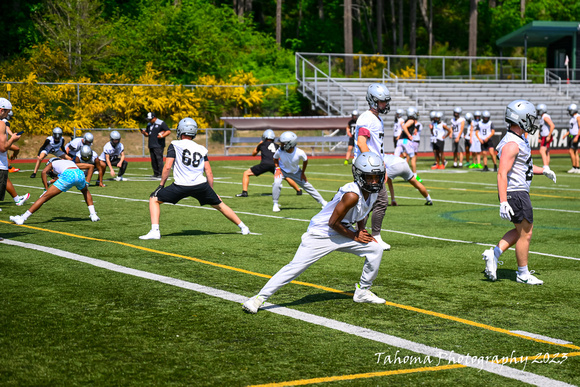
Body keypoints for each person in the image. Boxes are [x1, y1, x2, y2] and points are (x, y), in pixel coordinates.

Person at [242, 152, 387, 314]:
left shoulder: (374, 192)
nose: (374, 181)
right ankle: (258, 299)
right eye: (369, 177)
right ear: (359, 175)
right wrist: (355, 235)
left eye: (377, 177)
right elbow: (332, 223)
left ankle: (362, 291)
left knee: (375, 249)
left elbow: (363, 211)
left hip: (343, 229)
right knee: (296, 267)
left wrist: (361, 229)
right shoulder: (352, 195)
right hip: (322, 232)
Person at [481, 99, 556, 285]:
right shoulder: (512, 144)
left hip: (517, 191)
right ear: (521, 119)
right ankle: (522, 273)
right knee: (526, 234)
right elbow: (502, 173)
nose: (531, 123)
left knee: (519, 230)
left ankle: (494, 253)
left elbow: (524, 167)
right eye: (529, 119)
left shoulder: (517, 140)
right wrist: (503, 201)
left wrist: (544, 170)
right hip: (516, 193)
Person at [140, 118, 250, 240]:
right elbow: (208, 171)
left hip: (181, 185)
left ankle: (155, 231)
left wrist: (161, 185)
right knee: (220, 205)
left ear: (180, 131)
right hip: (200, 185)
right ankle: (243, 227)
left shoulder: (175, 145)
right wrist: (211, 190)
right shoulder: (201, 148)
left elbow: (167, 167)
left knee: (154, 199)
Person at [354, 83, 391, 251]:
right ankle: (374, 236)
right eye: (382, 102)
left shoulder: (376, 118)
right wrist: (372, 165)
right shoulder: (367, 118)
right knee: (380, 201)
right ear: (373, 100)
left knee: (368, 201)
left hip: (371, 165)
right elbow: (362, 142)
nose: (385, 105)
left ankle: (360, 233)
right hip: (368, 167)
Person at [10, 157, 100, 224]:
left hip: (68, 175)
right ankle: (93, 214)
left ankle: (23, 218)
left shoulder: (53, 163)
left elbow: (44, 172)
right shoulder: (67, 162)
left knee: (44, 197)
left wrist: (46, 188)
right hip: (79, 174)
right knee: (85, 192)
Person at [235, 129, 302, 197]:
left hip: (264, 164)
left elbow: (253, 154)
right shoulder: (277, 145)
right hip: (275, 164)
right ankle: (298, 190)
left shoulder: (262, 144)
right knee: (286, 176)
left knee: (246, 173)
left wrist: (259, 144)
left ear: (264, 137)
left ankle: (244, 192)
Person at [272, 131, 327, 212]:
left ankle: (323, 202)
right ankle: (275, 204)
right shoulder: (280, 151)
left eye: (283, 143)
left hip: (295, 172)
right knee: (276, 183)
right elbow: (275, 158)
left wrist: (303, 173)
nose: (281, 145)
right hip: (282, 171)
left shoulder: (300, 152)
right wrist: (277, 169)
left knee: (308, 186)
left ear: (290, 144)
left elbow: (305, 161)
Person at [0, 98, 27, 211]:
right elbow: (2, 148)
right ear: (2, 110)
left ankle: (17, 199)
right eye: (7, 112)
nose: (7, 115)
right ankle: (17, 199)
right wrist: (12, 139)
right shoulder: (1, 124)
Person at [141, 112, 171, 179]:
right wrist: (144, 133)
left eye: (150, 119)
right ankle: (156, 173)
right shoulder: (149, 124)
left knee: (159, 159)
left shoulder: (161, 123)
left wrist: (162, 136)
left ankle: (161, 173)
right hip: (151, 144)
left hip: (159, 145)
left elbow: (168, 131)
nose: (149, 121)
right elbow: (147, 134)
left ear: (154, 118)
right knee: (153, 160)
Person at [535, 104, 555, 169]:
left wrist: (548, 136)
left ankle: (545, 166)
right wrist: (539, 136)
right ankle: (547, 165)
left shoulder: (545, 117)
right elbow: (542, 128)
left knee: (542, 150)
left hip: (546, 136)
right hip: (544, 136)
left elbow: (552, 125)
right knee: (546, 151)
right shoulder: (543, 117)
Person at [565, 103, 580, 174]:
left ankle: (574, 167)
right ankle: (577, 167)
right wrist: (566, 134)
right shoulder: (573, 117)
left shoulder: (578, 117)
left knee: (571, 151)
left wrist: (577, 136)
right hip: (571, 135)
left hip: (575, 136)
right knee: (575, 152)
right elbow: (572, 128)